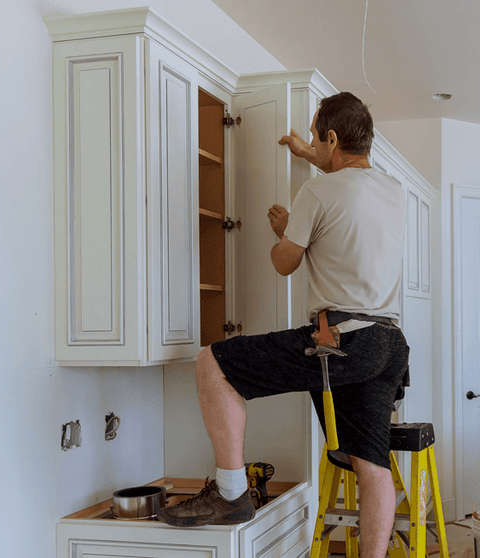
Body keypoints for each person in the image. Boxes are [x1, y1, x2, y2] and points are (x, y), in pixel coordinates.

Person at [157, 92, 408, 558]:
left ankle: (231, 493)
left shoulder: (316, 192)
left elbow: (283, 263)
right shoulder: (393, 189)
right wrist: (314, 155)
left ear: (332, 138)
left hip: (342, 339)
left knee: (214, 362)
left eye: (317, 137)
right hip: (389, 342)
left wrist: (286, 232)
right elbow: (345, 180)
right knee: (372, 464)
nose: (312, 143)